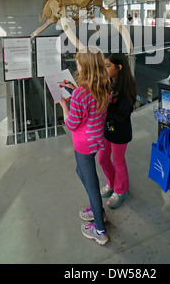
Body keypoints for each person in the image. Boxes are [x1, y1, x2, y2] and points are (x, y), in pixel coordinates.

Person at [59, 47, 110, 246]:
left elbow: (72, 123)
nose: (76, 66)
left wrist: (65, 107)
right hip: (97, 140)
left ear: (86, 67)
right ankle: (97, 209)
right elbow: (90, 108)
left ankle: (99, 229)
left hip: (83, 144)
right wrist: (75, 93)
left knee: (92, 186)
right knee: (81, 172)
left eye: (79, 63)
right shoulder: (103, 86)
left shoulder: (81, 94)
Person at [98, 52, 137, 209]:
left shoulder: (127, 88)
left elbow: (122, 115)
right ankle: (112, 183)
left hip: (120, 132)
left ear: (119, 67)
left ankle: (121, 190)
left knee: (118, 161)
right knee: (102, 159)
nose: (105, 69)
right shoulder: (108, 83)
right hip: (108, 129)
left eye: (108, 66)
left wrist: (106, 103)